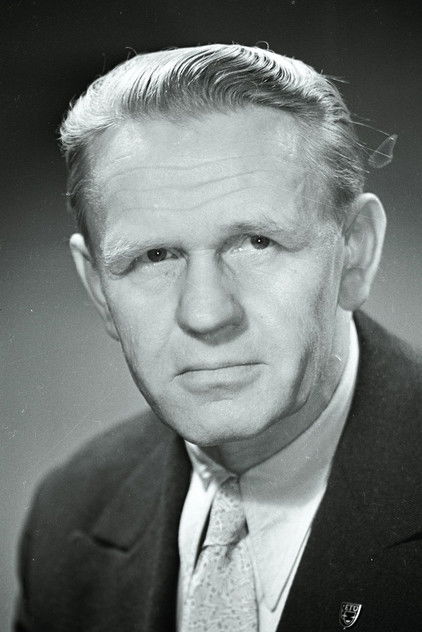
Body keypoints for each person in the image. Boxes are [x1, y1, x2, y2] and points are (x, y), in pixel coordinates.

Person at [15, 44, 421, 632]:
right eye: (156, 256)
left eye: (257, 242)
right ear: (99, 288)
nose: (206, 314)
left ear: (355, 252)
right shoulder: (69, 514)